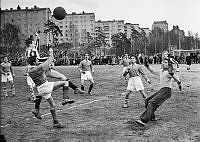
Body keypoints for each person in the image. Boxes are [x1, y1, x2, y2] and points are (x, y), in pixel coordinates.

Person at [28, 50, 83, 128]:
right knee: (65, 82)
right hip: (45, 86)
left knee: (53, 105)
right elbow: (50, 60)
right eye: (37, 60)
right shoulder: (39, 68)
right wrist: (50, 52)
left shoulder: (30, 71)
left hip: (40, 89)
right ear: (34, 62)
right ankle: (65, 99)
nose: (38, 61)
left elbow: (43, 67)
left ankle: (55, 121)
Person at [136, 58, 182, 126]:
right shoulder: (161, 71)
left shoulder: (169, 72)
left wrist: (175, 78)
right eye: (163, 62)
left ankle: (144, 120)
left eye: (165, 62)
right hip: (162, 90)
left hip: (167, 91)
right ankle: (152, 117)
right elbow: (153, 71)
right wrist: (147, 65)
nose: (163, 63)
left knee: (151, 102)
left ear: (169, 64)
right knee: (147, 100)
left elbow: (177, 79)